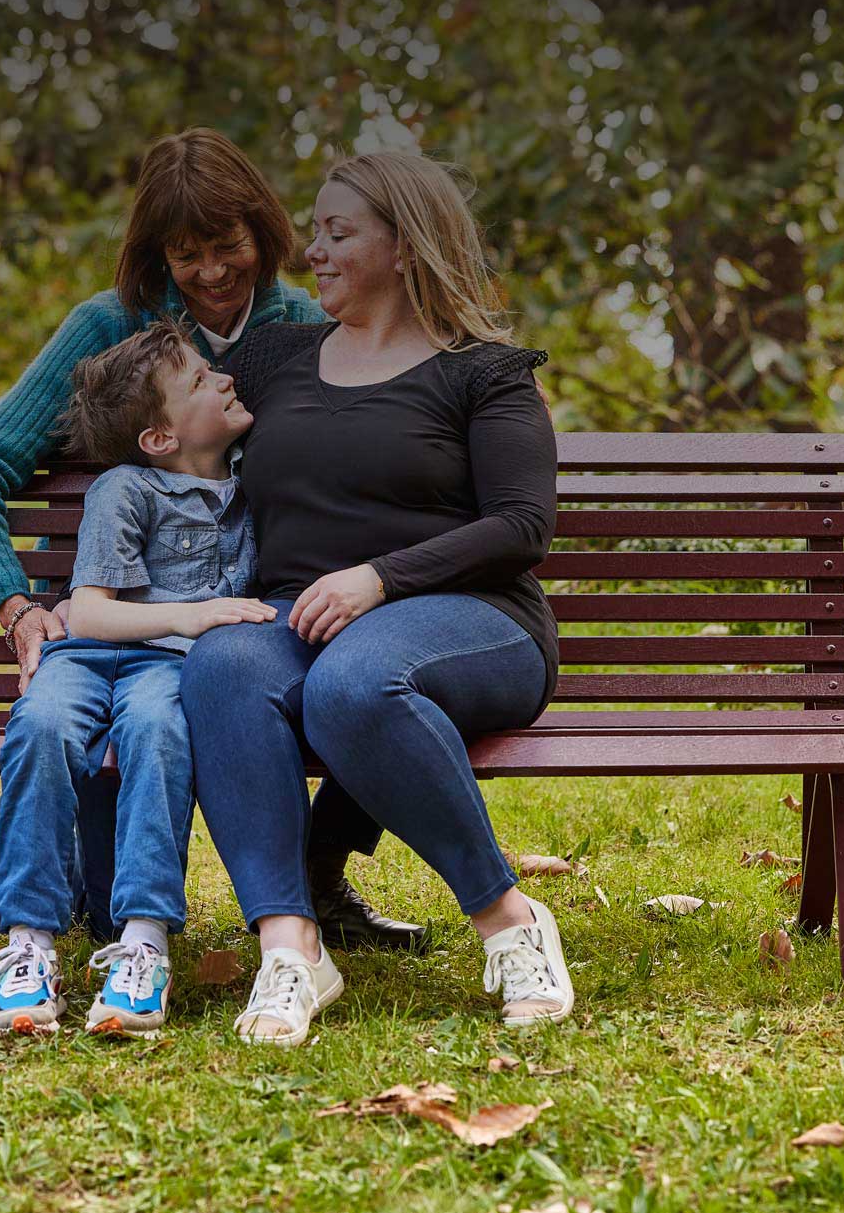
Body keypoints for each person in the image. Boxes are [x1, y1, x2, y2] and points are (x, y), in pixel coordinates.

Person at [0, 127, 424, 950]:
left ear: (262, 233)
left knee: (373, 660)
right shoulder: (112, 332)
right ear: (156, 253)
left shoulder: (307, 323)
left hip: (278, 602)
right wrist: (18, 609)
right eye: (185, 253)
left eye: (227, 244)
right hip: (140, 634)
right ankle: (90, 910)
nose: (212, 271)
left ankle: (320, 871)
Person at [182, 151, 572, 1048]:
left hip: (472, 620)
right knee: (224, 663)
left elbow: (522, 526)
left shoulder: (485, 372)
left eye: (337, 231)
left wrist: (380, 578)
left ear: (404, 245)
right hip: (297, 616)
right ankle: (292, 947)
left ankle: (510, 920)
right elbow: (158, 391)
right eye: (313, 230)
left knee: (353, 682)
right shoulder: (276, 357)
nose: (311, 249)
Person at [0, 323, 276, 1034]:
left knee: (161, 733)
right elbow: (96, 617)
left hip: (165, 672)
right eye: (201, 380)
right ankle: (28, 945)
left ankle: (143, 942)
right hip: (86, 657)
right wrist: (196, 615)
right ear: (160, 439)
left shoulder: (251, 489)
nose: (225, 379)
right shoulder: (126, 488)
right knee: (41, 729)